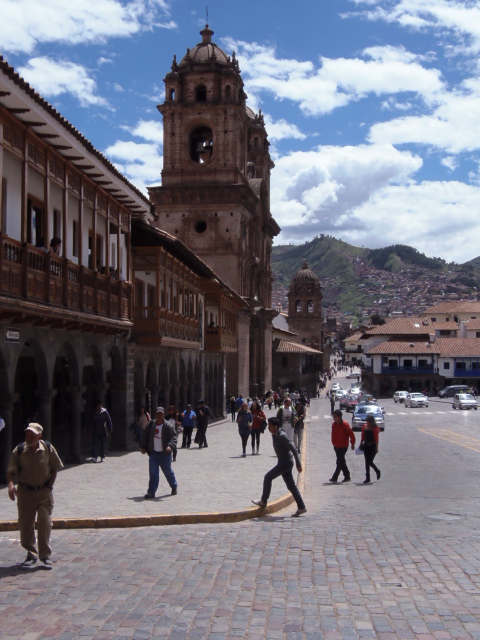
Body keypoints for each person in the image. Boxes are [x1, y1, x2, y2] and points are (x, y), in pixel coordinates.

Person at [6, 423, 63, 568]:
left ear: (39, 436)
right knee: (26, 525)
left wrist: (49, 486)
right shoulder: (19, 450)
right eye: (27, 435)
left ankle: (45, 555)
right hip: (25, 492)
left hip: (43, 491)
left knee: (44, 521)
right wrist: (11, 486)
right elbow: (11, 471)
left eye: (32, 436)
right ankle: (31, 554)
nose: (29, 438)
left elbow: (55, 467)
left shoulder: (48, 448)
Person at [251, 416, 306, 517]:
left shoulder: (282, 435)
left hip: (286, 463)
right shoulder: (274, 434)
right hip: (282, 461)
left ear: (276, 426)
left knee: (268, 477)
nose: (268, 428)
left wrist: (298, 464)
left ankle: (264, 501)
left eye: (270, 426)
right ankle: (301, 507)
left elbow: (293, 449)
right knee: (291, 486)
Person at [141, 407, 178, 498]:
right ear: (155, 414)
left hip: (164, 454)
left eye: (161, 413)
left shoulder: (168, 426)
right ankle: (151, 492)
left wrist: (170, 446)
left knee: (168, 472)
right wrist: (143, 447)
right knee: (153, 473)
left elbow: (174, 437)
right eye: (158, 413)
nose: (159, 415)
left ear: (164, 414)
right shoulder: (151, 425)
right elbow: (145, 436)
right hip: (154, 454)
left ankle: (174, 486)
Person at [329, 409, 356, 483]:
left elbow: (351, 435)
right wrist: (333, 443)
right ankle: (347, 476)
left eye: (335, 416)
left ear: (340, 417)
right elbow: (333, 435)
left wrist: (352, 443)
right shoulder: (334, 425)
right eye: (333, 416)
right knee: (342, 461)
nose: (334, 418)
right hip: (336, 446)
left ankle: (335, 477)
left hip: (343, 446)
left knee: (339, 462)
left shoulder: (345, 424)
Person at [360, 414, 381, 484]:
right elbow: (363, 436)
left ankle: (377, 470)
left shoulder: (374, 428)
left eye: (369, 421)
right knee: (366, 462)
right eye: (367, 421)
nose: (368, 422)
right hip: (366, 446)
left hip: (373, 446)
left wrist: (377, 447)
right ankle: (367, 478)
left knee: (370, 461)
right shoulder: (364, 427)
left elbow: (376, 438)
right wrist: (360, 443)